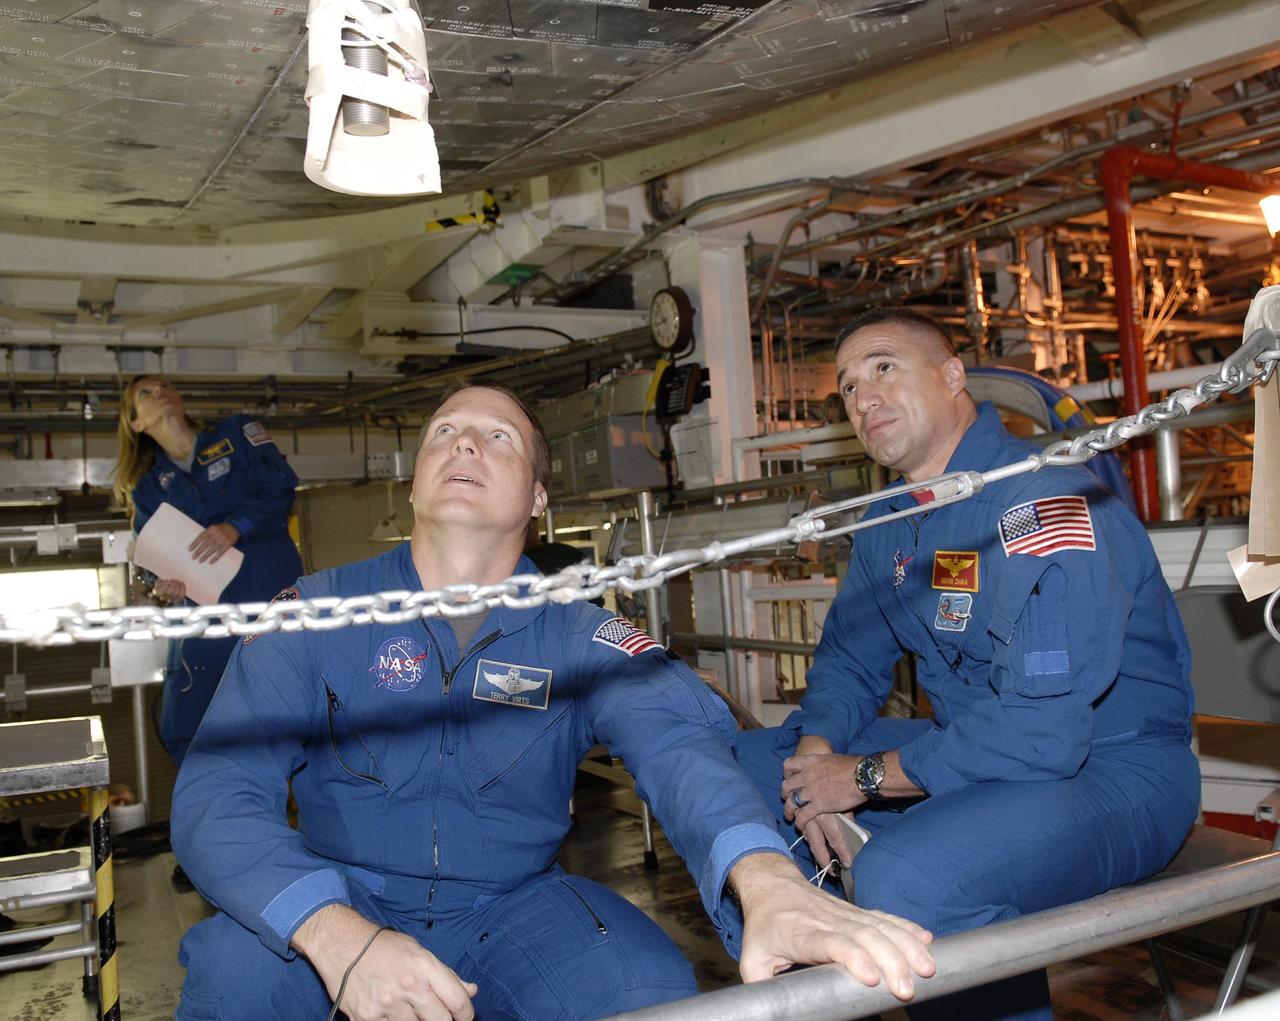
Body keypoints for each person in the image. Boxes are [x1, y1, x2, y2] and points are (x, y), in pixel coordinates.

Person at [169, 380, 936, 1021]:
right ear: (414, 479)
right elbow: (218, 796)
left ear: (537, 495)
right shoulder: (312, 614)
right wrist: (340, 937)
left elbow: (679, 748)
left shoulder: (579, 634)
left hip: (510, 907)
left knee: (640, 990)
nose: (466, 444)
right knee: (234, 971)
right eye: (446, 431)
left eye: (497, 437)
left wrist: (766, 877)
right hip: (340, 894)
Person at [735, 308, 1200, 1021]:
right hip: (983, 755)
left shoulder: (1046, 497)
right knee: (745, 772)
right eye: (850, 386)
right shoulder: (894, 518)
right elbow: (849, 662)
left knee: (913, 877)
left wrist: (861, 778)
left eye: (884, 366)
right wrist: (814, 758)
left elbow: (1044, 733)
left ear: (952, 375)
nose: (864, 397)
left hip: (1113, 771)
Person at [114, 375, 304, 769]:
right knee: (190, 722)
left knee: (295, 711)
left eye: (166, 386)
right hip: (207, 614)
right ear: (136, 423)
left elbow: (280, 484)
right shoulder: (149, 490)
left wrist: (238, 526)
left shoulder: (236, 433)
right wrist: (161, 585)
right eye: (145, 394)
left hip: (268, 591)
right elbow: (151, 563)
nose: (160, 393)